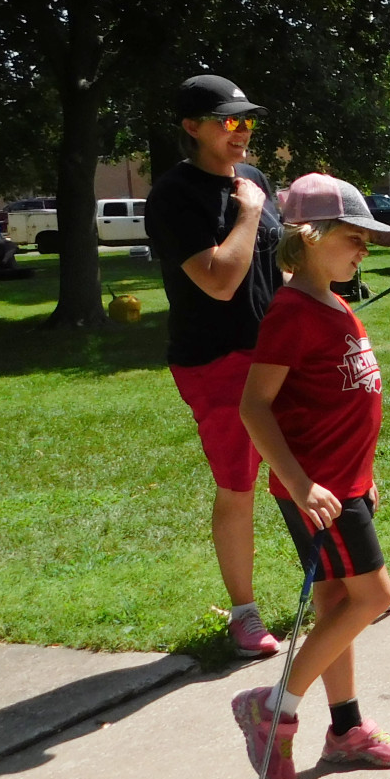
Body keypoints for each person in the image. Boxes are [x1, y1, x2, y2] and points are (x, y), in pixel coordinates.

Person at [232, 172, 390, 779]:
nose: (363, 250)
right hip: (319, 493)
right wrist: (301, 483)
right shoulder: (292, 312)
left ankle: (346, 729)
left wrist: (365, 475)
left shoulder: (334, 303)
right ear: (311, 236)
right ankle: (274, 707)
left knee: (338, 602)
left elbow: (345, 400)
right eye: (353, 237)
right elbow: (254, 406)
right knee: (374, 597)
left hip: (345, 485)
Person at [146, 75, 288, 658]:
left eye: (247, 120)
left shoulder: (254, 179)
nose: (242, 130)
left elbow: (275, 265)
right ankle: (244, 615)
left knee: (311, 462)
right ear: (192, 127)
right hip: (217, 360)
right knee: (239, 484)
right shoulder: (174, 195)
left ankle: (347, 581)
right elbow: (221, 280)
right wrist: (248, 214)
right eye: (230, 120)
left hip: (275, 349)